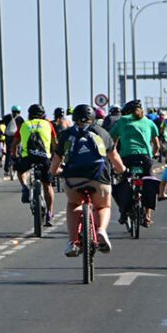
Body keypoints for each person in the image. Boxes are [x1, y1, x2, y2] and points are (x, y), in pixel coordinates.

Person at [51, 104, 126, 256]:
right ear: (93, 118)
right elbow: (114, 157)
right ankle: (101, 231)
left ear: (74, 119)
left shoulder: (67, 134)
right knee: (103, 206)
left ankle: (72, 242)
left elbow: (57, 159)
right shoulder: (102, 132)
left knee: (73, 204)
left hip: (73, 178)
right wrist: (122, 170)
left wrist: (55, 171)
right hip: (99, 177)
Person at [110, 99, 160, 226]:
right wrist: (152, 156)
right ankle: (148, 216)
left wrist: (113, 158)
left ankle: (123, 212)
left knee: (121, 183)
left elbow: (113, 142)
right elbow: (157, 145)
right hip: (145, 157)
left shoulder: (122, 121)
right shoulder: (149, 122)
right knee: (149, 183)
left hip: (127, 157)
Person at [12, 103, 57, 226]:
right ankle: (49, 214)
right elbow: (55, 144)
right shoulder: (48, 124)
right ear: (43, 115)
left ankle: (25, 187)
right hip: (44, 158)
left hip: (28, 157)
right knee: (47, 185)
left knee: (20, 170)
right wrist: (53, 157)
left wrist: (15, 156)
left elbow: (14, 145)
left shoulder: (24, 125)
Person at [2, 105, 24, 177]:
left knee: (8, 151)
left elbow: (1, 123)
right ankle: (18, 166)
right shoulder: (20, 118)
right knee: (19, 150)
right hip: (17, 136)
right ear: (19, 112)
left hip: (8, 136)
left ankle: (6, 169)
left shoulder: (7, 117)